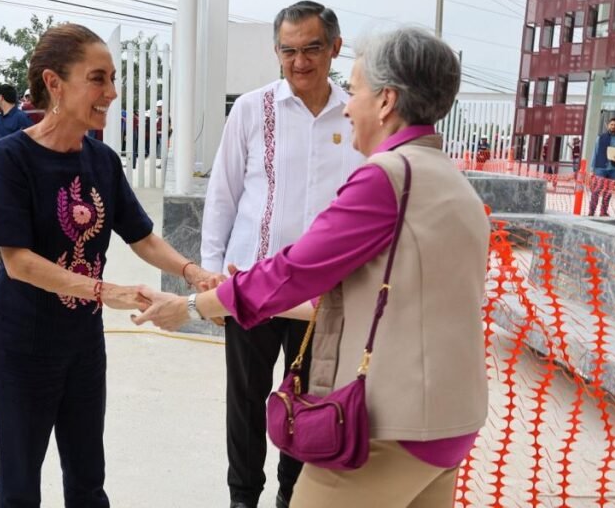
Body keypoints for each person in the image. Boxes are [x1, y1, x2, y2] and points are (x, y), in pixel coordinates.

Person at [135, 27, 490, 508]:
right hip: (451, 423)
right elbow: (365, 299)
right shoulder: (453, 183)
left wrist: (193, 307)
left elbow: (294, 269)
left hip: (391, 429)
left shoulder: (387, 177)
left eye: (358, 91)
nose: (348, 106)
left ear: (386, 102)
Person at [0, 23, 218, 507]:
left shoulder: (103, 160)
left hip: (82, 347)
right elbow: (19, 261)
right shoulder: (13, 157)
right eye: (98, 79)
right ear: (54, 83)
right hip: (22, 347)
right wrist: (103, 290)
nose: (111, 93)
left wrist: (193, 272)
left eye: (112, 79)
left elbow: (143, 236)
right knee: (20, 485)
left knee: (88, 478)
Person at [200, 0, 362, 508]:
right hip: (253, 285)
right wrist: (211, 278)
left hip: (323, 296)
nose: (300, 61)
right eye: (288, 50)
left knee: (309, 402)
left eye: (312, 48)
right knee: (245, 401)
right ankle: (243, 496)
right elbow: (223, 195)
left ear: (335, 47)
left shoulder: (357, 114)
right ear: (277, 53)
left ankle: (293, 496)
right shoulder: (252, 109)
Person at [589, 117, 615, 217]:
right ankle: (591, 211)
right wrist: (592, 169)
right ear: (608, 125)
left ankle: (603, 212)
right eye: (611, 124)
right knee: (597, 190)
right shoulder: (600, 136)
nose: (613, 126)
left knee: (609, 191)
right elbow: (595, 153)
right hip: (600, 167)